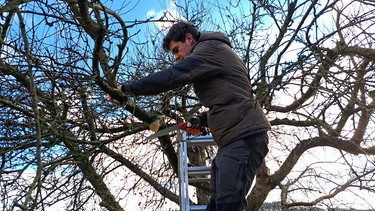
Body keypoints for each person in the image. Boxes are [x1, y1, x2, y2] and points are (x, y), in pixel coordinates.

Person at [116, 21, 270, 211]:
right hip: (234, 137)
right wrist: (200, 120)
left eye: (176, 50)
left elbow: (172, 76)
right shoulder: (214, 51)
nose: (176, 57)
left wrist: (127, 89)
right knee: (216, 205)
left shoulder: (210, 49)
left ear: (189, 38)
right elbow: (229, 99)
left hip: (243, 136)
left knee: (229, 204)